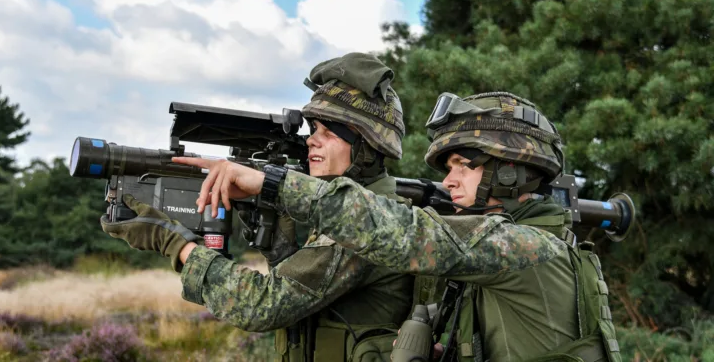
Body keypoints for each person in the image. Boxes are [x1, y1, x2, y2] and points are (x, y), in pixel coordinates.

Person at [175, 91, 623, 362]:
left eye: (464, 166)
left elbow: (404, 234)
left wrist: (271, 184)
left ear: (515, 172)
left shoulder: (525, 248)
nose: (448, 181)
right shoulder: (517, 246)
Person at [102, 52, 415, 362]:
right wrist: (279, 247)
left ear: (368, 146)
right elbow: (309, 298)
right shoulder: (349, 208)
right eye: (313, 130)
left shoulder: (368, 220)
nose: (311, 141)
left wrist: (173, 243)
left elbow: (262, 305)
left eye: (329, 133)